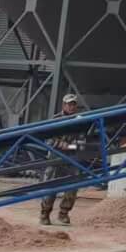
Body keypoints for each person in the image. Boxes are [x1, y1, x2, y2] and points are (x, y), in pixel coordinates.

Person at [40, 91, 85, 226]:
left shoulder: (80, 121)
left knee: (72, 187)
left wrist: (69, 146)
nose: (71, 107)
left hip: (72, 158)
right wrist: (61, 145)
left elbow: (81, 143)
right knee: (50, 187)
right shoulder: (56, 120)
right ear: (64, 105)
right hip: (55, 157)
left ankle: (63, 213)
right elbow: (49, 140)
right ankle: (45, 214)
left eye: (73, 104)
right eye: (69, 104)